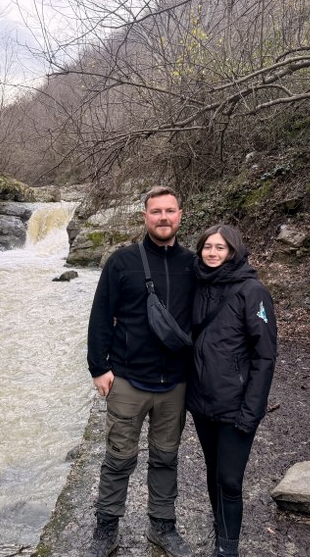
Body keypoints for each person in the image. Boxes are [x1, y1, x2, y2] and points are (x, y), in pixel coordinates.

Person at [86, 186, 196, 557]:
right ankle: (106, 528)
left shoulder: (192, 265)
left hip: (175, 383)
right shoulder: (122, 261)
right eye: (156, 211)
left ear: (180, 214)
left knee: (166, 457)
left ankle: (162, 526)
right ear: (145, 216)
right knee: (118, 457)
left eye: (170, 210)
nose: (163, 217)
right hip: (129, 380)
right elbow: (101, 315)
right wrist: (98, 368)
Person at [187, 224, 277, 557]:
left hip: (235, 405)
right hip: (201, 402)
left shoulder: (252, 292)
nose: (212, 253)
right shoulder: (197, 283)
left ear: (233, 252)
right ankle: (220, 526)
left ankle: (228, 549)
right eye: (207, 247)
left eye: (220, 248)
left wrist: (252, 411)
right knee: (213, 471)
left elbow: (265, 356)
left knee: (229, 479)